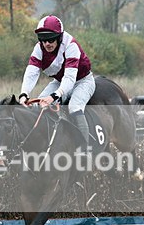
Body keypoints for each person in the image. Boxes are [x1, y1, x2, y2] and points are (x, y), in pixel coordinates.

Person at [19, 15, 96, 148]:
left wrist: (55, 95)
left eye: (50, 39)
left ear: (59, 37)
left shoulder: (71, 45)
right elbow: (32, 72)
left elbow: (70, 78)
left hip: (83, 81)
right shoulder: (39, 48)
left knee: (74, 107)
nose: (47, 43)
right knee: (39, 104)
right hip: (60, 81)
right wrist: (24, 93)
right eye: (43, 39)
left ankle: (84, 150)